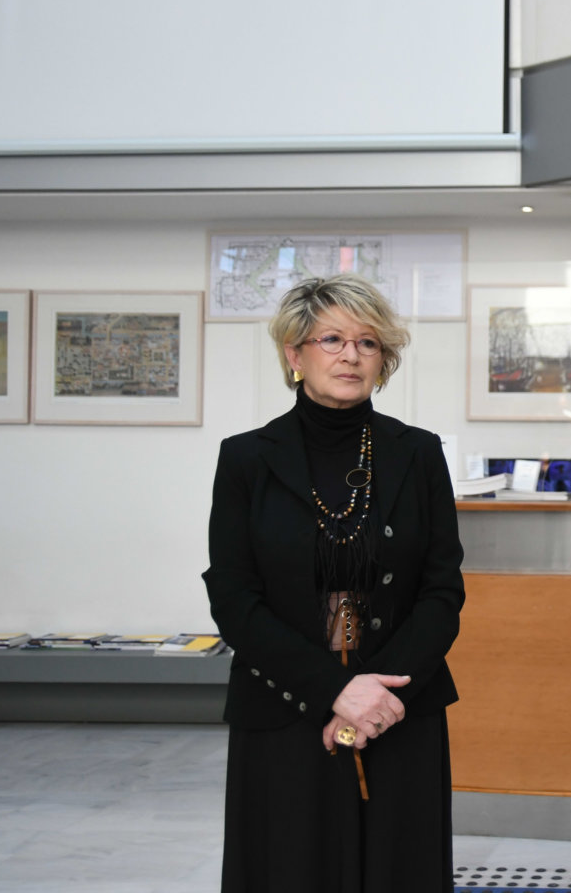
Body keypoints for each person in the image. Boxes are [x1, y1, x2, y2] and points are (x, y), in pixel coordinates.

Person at [203, 274, 465, 892]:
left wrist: (373, 701)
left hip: (398, 708)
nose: (351, 355)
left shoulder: (418, 453)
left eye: (368, 343)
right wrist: (334, 692)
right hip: (285, 708)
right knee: (291, 869)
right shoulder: (246, 458)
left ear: (383, 360)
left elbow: (442, 590)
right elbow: (233, 596)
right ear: (294, 354)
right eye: (332, 339)